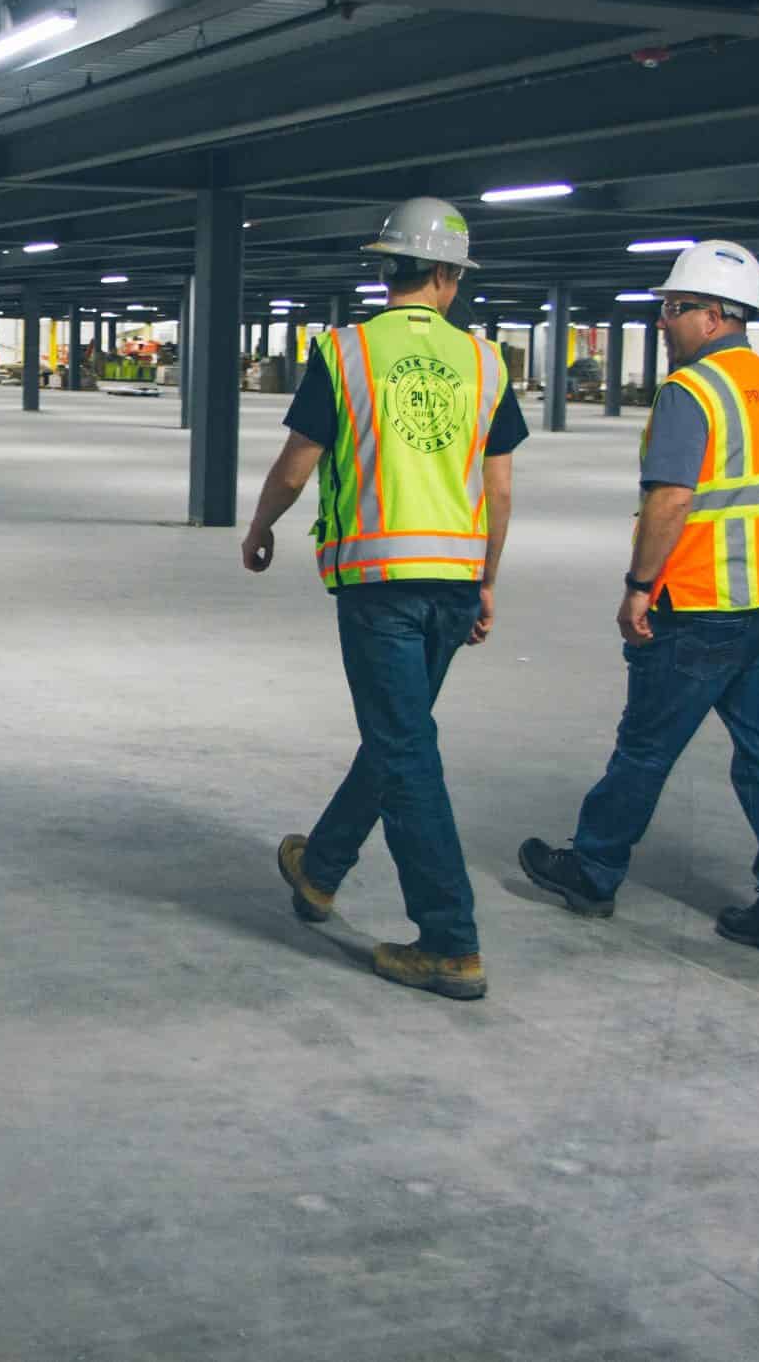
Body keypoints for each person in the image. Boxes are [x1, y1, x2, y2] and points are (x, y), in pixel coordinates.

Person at [242, 197, 529, 1002]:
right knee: (400, 735)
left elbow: (299, 464)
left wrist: (261, 526)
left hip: (378, 583)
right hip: (451, 580)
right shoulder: (485, 362)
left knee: (404, 749)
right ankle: (322, 869)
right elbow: (499, 489)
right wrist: (487, 579)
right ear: (446, 275)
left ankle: (450, 940)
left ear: (386, 268)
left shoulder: (344, 354)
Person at [516, 240, 759, 962]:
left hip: (705, 598)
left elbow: (673, 498)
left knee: (647, 746)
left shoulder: (692, 391)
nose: (663, 320)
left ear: (716, 315)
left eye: (675, 307)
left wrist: (637, 586)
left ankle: (592, 871)